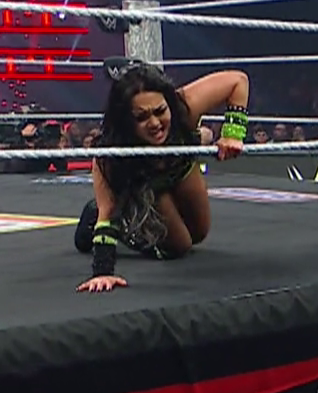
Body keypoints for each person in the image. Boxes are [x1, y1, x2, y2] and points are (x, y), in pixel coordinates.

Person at [74, 63, 250, 293]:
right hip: (147, 183)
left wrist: (233, 134)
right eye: (141, 117)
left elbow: (238, 80)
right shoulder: (111, 152)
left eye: (160, 111)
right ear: (126, 119)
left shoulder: (183, 106)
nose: (155, 123)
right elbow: (108, 213)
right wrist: (102, 271)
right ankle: (108, 218)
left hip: (180, 166)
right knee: (179, 246)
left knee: (199, 233)